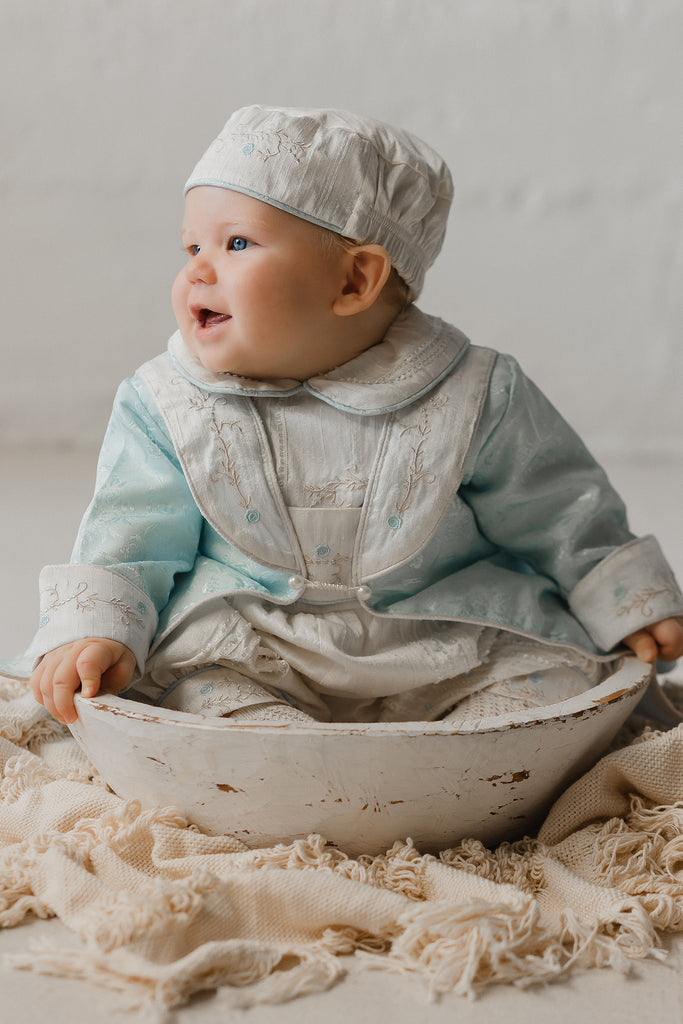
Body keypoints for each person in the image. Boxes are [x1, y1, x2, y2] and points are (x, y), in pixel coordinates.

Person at [29, 105, 683, 727]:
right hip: (253, 643)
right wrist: (99, 629)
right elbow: (130, 532)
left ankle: (474, 753)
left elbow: (555, 502)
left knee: (556, 688)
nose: (198, 271)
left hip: (438, 635)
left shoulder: (469, 391)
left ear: (353, 282)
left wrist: (620, 597)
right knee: (189, 690)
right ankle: (270, 746)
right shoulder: (170, 402)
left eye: (234, 243)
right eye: (189, 247)